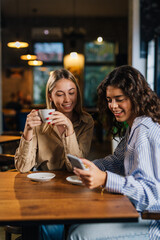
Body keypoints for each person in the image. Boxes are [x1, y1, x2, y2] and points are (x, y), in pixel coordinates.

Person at [67, 65, 160, 240]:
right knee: (76, 223)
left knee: (78, 235)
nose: (113, 106)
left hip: (151, 222)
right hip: (134, 210)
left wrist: (104, 179)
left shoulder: (144, 130)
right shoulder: (135, 125)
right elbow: (118, 160)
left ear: (136, 96)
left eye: (119, 99)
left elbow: (150, 195)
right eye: (109, 100)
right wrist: (90, 166)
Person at [14, 68, 94, 240]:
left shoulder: (86, 121)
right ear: (50, 96)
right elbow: (22, 167)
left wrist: (69, 130)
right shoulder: (38, 121)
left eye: (71, 93)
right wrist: (28, 130)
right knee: (51, 225)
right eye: (60, 94)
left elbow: (75, 167)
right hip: (43, 190)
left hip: (74, 188)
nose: (67, 100)